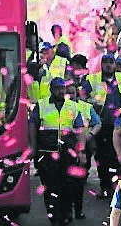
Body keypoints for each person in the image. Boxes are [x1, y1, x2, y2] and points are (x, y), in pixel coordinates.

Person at [29, 77, 86, 225]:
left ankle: (66, 215)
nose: (61, 91)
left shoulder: (72, 106)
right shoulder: (41, 105)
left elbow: (80, 129)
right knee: (50, 187)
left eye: (63, 88)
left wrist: (81, 151)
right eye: (57, 88)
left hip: (67, 154)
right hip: (47, 154)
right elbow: (33, 126)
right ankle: (54, 217)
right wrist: (33, 148)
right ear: (51, 90)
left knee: (68, 186)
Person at [82, 53, 121, 198]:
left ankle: (119, 188)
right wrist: (91, 107)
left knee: (118, 157)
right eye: (105, 62)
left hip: (120, 125)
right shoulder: (92, 79)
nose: (108, 65)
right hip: (102, 125)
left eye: (111, 62)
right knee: (101, 158)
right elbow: (81, 98)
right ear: (101, 65)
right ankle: (105, 187)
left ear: (115, 64)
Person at [66, 83, 101, 221]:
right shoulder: (59, 107)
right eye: (67, 92)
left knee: (78, 183)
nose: (70, 95)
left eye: (72, 92)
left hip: (82, 148)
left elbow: (97, 123)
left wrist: (90, 135)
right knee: (65, 183)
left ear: (77, 94)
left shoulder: (86, 107)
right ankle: (67, 211)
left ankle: (78, 210)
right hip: (64, 150)